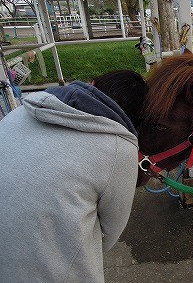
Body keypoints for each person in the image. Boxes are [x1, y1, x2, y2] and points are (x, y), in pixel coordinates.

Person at [0, 70, 148, 282]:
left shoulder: (19, 112)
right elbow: (110, 234)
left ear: (92, 84)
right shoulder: (119, 149)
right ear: (137, 117)